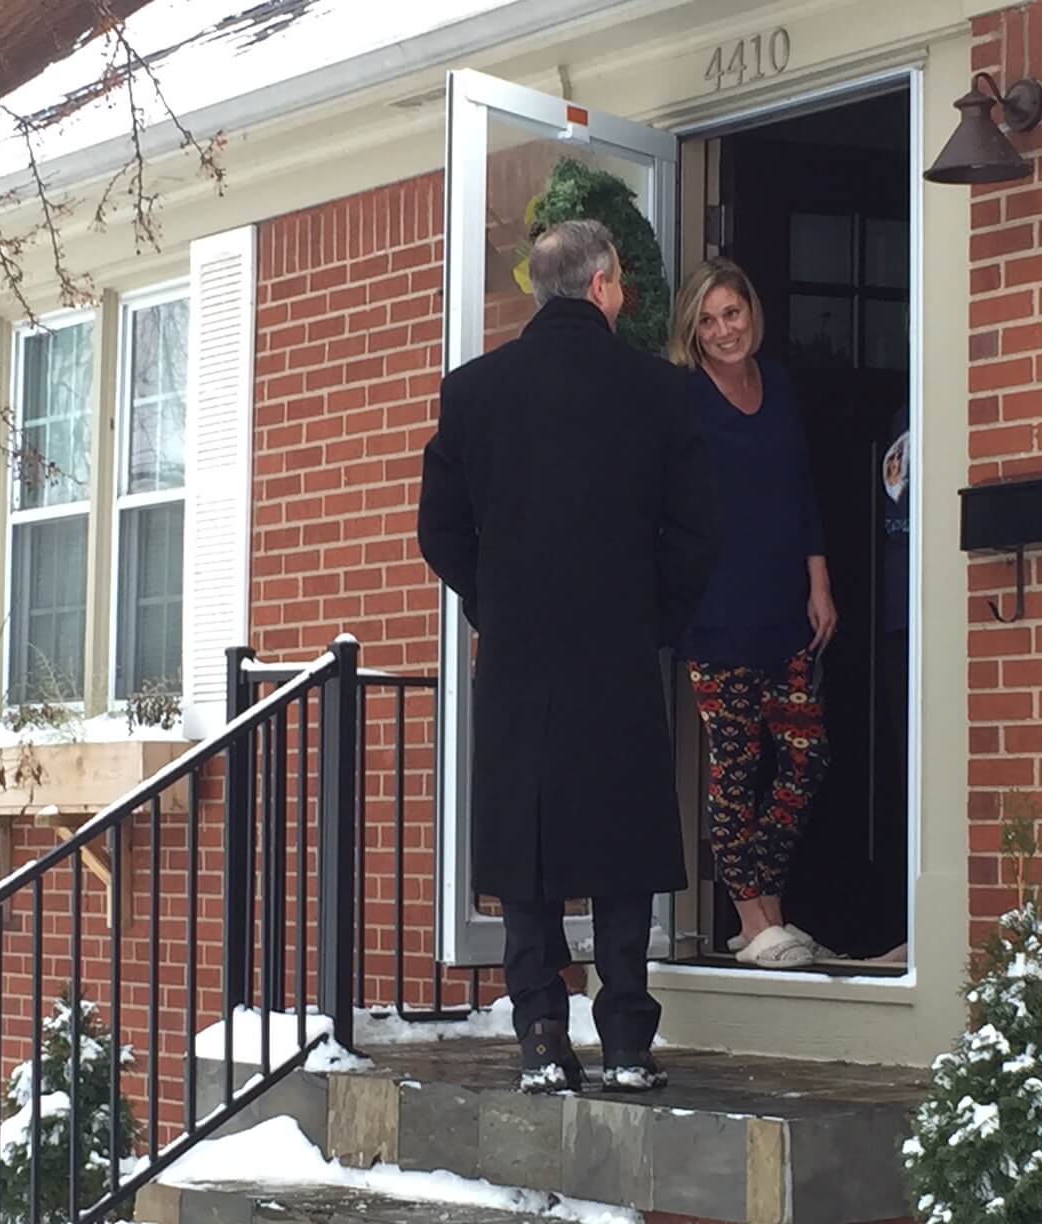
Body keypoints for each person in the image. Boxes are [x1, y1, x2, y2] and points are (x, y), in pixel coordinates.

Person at [418, 219, 719, 1093]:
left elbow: (439, 528)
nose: (622, 294)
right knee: (622, 835)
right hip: (618, 644)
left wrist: (495, 600)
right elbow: (700, 531)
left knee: (527, 841)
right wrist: (654, 614)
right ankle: (625, 1036)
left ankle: (542, 1034)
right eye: (621, 282)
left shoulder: (473, 391)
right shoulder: (659, 392)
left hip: (519, 649)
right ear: (600, 287)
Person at [669, 257, 838, 971]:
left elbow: (800, 488)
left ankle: (761, 906)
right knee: (735, 768)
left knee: (804, 758)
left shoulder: (780, 385)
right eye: (706, 322)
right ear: (692, 332)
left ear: (751, 312)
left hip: (783, 602)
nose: (722, 331)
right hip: (716, 611)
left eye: (731, 314)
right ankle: (754, 917)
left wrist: (819, 581)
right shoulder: (682, 398)